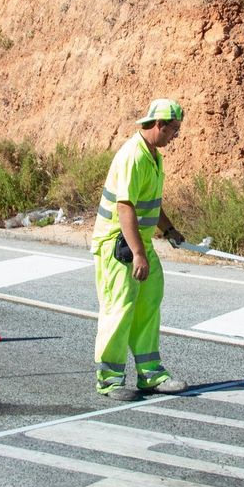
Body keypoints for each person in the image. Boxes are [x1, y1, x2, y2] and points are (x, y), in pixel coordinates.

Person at [91, 98, 192, 401]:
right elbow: (125, 208)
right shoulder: (133, 156)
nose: (175, 136)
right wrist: (137, 253)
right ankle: (109, 380)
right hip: (118, 244)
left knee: (149, 304)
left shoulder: (153, 155)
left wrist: (169, 229)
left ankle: (150, 375)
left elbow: (151, 203)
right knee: (119, 309)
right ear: (159, 125)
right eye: (173, 130)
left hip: (139, 241)